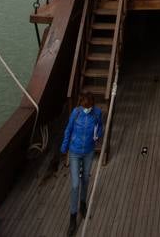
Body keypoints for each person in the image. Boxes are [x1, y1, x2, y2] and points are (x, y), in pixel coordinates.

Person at [61, 92, 104, 235]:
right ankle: (72, 217)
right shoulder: (76, 113)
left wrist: (98, 135)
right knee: (75, 184)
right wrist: (64, 147)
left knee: (85, 178)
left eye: (90, 107)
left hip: (89, 151)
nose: (88, 110)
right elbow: (68, 130)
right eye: (86, 107)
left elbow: (101, 127)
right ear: (82, 104)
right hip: (74, 151)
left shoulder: (97, 113)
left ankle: (83, 204)